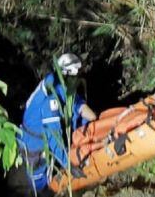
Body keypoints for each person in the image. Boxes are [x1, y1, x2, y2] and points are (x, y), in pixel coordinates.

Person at [18, 54, 99, 192]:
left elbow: (75, 103)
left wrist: (94, 120)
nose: (78, 78)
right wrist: (69, 166)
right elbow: (54, 139)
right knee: (41, 185)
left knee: (80, 120)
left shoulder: (59, 84)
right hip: (35, 146)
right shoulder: (50, 99)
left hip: (47, 135)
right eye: (76, 74)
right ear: (68, 74)